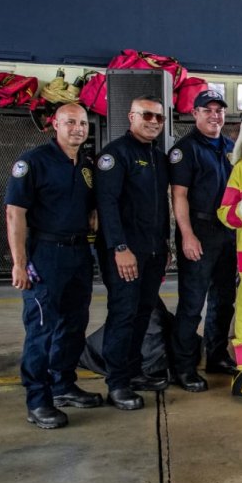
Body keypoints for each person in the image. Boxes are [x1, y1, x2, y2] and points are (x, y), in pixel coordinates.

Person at [6, 104, 102, 429]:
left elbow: (89, 205)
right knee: (42, 329)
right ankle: (38, 401)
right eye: (70, 122)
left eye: (83, 123)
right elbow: (14, 214)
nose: (78, 128)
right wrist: (20, 263)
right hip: (45, 253)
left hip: (79, 254)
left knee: (75, 324)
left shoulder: (86, 163)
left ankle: (63, 386)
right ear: (55, 125)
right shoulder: (33, 162)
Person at [95, 95, 171, 410]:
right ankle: (117, 383)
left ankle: (134, 371)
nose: (153, 122)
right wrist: (119, 248)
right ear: (131, 116)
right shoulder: (115, 155)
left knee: (143, 313)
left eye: (158, 117)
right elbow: (107, 204)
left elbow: (160, 207)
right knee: (123, 314)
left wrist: (166, 246)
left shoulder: (158, 157)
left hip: (153, 250)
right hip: (125, 251)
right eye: (146, 116)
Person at [168, 89, 237, 393]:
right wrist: (186, 235)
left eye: (219, 110)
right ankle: (183, 367)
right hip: (199, 229)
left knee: (224, 301)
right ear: (194, 114)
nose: (214, 115)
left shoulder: (231, 147)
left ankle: (217, 355)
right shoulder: (185, 149)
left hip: (228, 232)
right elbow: (178, 195)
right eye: (206, 110)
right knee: (192, 303)